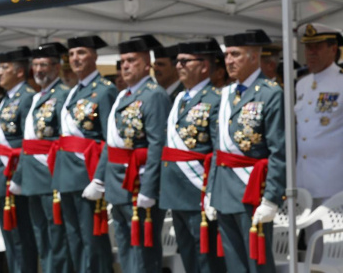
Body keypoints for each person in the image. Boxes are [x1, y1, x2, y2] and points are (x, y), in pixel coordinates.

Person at [205, 29, 284, 273]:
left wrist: (271, 198)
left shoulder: (270, 93)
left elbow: (279, 151)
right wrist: (210, 191)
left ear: (253, 57)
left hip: (253, 192)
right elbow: (218, 148)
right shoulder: (225, 94)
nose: (228, 61)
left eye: (235, 54)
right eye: (227, 55)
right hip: (224, 192)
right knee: (234, 264)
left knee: (257, 263)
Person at [95, 38, 170, 272]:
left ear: (146, 62)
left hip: (139, 183)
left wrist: (149, 188)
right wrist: (99, 179)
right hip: (118, 184)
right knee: (125, 248)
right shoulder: (123, 95)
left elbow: (158, 145)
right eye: (123, 61)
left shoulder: (154, 95)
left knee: (142, 253)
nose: (125, 66)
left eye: (132, 60)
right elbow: (111, 143)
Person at [159, 40, 225, 273]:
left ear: (204, 66)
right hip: (176, 191)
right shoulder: (179, 98)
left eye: (185, 61)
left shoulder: (215, 99)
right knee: (188, 255)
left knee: (206, 260)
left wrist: (211, 190)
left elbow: (219, 150)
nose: (179, 66)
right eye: (177, 61)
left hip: (198, 190)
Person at [56, 36, 116, 273]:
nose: (75, 59)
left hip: (87, 173)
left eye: (81, 53)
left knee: (92, 241)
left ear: (94, 56)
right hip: (66, 174)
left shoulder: (105, 91)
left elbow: (110, 139)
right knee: (74, 240)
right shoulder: (73, 92)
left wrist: (99, 179)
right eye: (71, 54)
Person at [19, 43, 72, 273]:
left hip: (50, 172)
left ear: (57, 67)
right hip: (33, 174)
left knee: (56, 234)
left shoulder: (63, 95)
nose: (39, 70)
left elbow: (65, 136)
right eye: (36, 65)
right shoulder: (38, 96)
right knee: (41, 233)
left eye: (44, 65)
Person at [0, 46, 37, 273]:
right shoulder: (8, 98)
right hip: (1, 175)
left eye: (4, 68)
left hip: (14, 175)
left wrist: (18, 176)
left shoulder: (26, 97)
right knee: (11, 239)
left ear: (19, 72)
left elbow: (28, 142)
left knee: (21, 238)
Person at [295, 23, 343, 201]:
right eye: (308, 47)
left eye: (317, 47)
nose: (311, 52)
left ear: (333, 49)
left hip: (334, 182)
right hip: (304, 180)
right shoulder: (302, 84)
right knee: (309, 230)